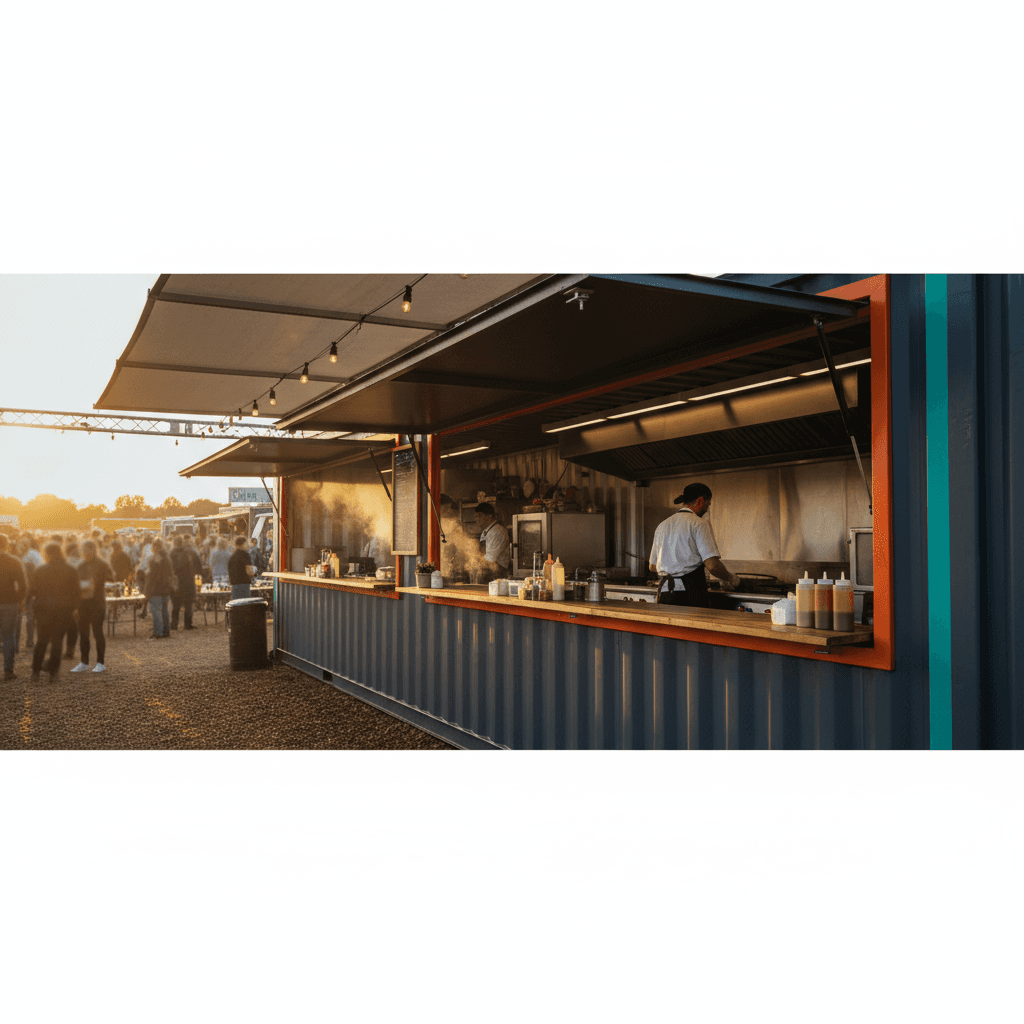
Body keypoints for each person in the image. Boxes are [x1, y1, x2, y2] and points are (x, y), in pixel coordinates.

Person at [648, 482, 740, 607]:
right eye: (708, 503)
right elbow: (712, 566)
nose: (707, 508)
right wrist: (732, 579)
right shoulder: (699, 524)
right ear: (700, 501)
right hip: (690, 594)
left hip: (665, 594)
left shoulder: (662, 525)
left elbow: (652, 566)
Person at [30, 541, 80, 681]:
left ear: (46, 554)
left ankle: (35, 671)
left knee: (41, 640)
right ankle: (53, 673)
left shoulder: (40, 570)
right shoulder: (70, 569)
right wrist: (74, 608)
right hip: (63, 609)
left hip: (44, 609)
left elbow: (32, 590)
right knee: (57, 641)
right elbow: (77, 592)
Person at [71, 539, 114, 673]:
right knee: (83, 634)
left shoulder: (101, 564)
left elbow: (111, 577)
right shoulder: (81, 565)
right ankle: (84, 662)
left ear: (92, 549)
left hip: (97, 602)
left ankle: (100, 663)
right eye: (82, 549)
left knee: (97, 632)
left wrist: (97, 580)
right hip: (83, 603)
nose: (83, 552)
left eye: (85, 549)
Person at [0, 534, 28, 681]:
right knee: (8, 637)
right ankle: (8, 670)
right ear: (6, 545)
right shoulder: (14, 561)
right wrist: (18, 601)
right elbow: (23, 586)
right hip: (9, 603)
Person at [143, 538, 174, 639]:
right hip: (165, 588)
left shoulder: (154, 559)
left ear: (154, 547)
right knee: (165, 610)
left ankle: (158, 632)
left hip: (156, 588)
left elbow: (151, 575)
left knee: (156, 611)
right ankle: (166, 631)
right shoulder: (167, 558)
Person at [169, 535, 202, 630]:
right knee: (188, 603)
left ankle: (174, 624)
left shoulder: (172, 553)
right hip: (189, 580)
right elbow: (198, 565)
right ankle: (187, 624)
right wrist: (197, 574)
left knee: (176, 604)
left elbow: (170, 568)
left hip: (177, 581)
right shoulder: (190, 552)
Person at [18, 536, 43, 654]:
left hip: (30, 593)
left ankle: (30, 640)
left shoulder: (28, 557)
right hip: (36, 593)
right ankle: (36, 640)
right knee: (34, 618)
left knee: (30, 617)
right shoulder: (34, 556)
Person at [474, 502, 510, 581]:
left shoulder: (497, 531)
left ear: (489, 516)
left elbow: (490, 559)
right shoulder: (487, 531)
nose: (477, 519)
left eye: (479, 516)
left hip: (497, 574)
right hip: (489, 572)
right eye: (475, 516)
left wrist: (474, 563)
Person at [227, 536, 253, 600]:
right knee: (245, 605)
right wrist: (253, 574)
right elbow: (249, 571)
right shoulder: (245, 555)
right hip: (244, 585)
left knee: (236, 606)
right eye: (246, 544)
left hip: (234, 586)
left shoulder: (232, 556)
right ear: (242, 544)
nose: (248, 546)